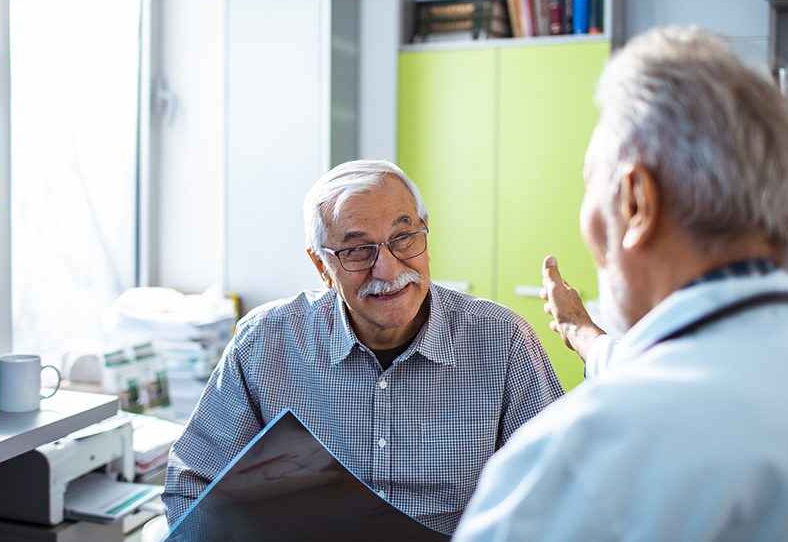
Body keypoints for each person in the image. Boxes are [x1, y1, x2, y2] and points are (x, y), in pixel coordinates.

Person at [454, 26, 788, 541]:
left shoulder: (579, 462)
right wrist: (580, 331)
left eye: (589, 181)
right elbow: (680, 368)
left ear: (637, 202)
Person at [163, 159, 564, 534]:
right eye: (358, 250)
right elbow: (194, 481)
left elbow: (558, 492)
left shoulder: (503, 341)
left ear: (425, 232)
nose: (388, 269)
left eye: (404, 238)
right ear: (322, 267)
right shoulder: (265, 343)